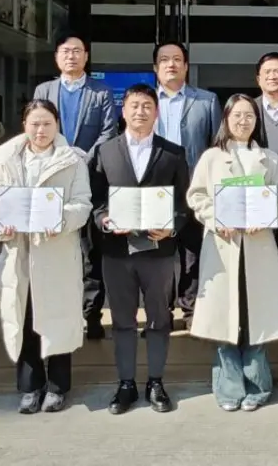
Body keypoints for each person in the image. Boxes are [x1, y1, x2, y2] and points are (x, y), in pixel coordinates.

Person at [88, 84, 191, 415]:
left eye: (147, 106)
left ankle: (157, 382)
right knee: (121, 321)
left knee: (160, 319)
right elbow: (96, 201)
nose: (140, 112)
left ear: (156, 112)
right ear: (124, 110)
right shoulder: (105, 152)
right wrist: (104, 220)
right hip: (117, 251)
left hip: (159, 251)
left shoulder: (173, 152)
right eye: (134, 105)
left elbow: (184, 203)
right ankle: (126, 384)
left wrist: (173, 225)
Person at [0, 100, 93, 414]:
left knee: (57, 317)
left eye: (47, 123)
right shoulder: (7, 160)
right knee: (25, 318)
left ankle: (58, 387)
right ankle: (30, 387)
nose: (40, 130)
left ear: (57, 125)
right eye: (34, 123)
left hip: (56, 251)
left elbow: (82, 204)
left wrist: (58, 219)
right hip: (20, 252)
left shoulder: (72, 160)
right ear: (24, 125)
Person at [186, 94, 278, 412]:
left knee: (254, 316)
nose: (243, 121)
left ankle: (258, 384)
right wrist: (216, 217)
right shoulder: (211, 158)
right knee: (225, 319)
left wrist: (267, 216)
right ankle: (229, 387)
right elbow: (196, 196)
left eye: (249, 116)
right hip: (223, 245)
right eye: (237, 115)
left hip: (257, 245)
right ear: (226, 119)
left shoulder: (269, 158)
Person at [32, 34, 117, 339]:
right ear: (57, 57)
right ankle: (60, 311)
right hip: (53, 178)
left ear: (86, 56)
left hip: (90, 176)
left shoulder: (101, 91)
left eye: (78, 51)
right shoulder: (44, 90)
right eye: (66, 52)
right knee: (57, 243)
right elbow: (36, 128)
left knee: (90, 249)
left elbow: (109, 131)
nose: (71, 56)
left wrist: (81, 155)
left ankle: (91, 314)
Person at [152, 41, 222, 326]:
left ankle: (191, 308)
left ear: (186, 65)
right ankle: (161, 311)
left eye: (177, 59)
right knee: (159, 251)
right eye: (165, 60)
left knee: (193, 250)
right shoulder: (145, 101)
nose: (171, 64)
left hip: (194, 185)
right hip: (156, 188)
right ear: (155, 67)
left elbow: (218, 145)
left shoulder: (206, 100)